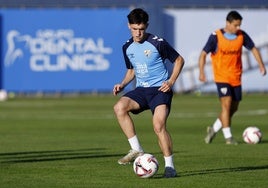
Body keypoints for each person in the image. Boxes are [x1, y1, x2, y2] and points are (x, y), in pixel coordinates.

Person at [113, 8, 184, 178]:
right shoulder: (127, 47)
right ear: (129, 26)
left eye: (141, 29)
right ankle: (136, 148)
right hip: (141, 90)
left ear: (147, 26)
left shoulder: (158, 43)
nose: (138, 33)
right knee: (119, 108)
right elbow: (132, 71)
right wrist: (122, 84)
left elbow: (179, 60)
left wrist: (171, 81)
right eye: (135, 29)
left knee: (158, 126)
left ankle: (170, 167)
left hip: (160, 90)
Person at [198, 10, 266, 145]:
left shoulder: (241, 35)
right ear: (227, 23)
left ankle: (214, 129)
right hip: (221, 77)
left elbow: (253, 49)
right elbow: (203, 54)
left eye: (239, 25)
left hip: (236, 77)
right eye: (235, 25)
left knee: (233, 108)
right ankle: (228, 137)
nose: (238, 28)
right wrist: (201, 72)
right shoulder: (215, 36)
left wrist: (261, 65)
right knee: (226, 104)